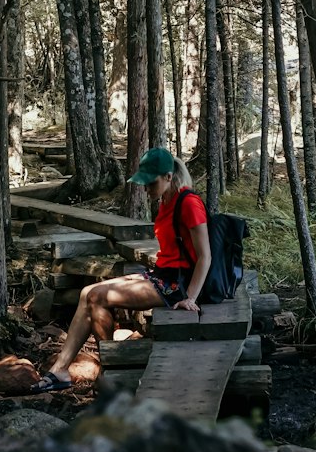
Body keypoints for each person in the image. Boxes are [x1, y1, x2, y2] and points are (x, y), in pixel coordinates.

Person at [31, 147, 211, 393]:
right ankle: (61, 370)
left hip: (177, 285)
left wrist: (190, 297)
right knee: (87, 292)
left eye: (150, 182)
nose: (146, 188)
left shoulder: (189, 203)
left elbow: (205, 256)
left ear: (169, 177)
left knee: (97, 297)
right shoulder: (165, 201)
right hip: (162, 276)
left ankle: (110, 369)